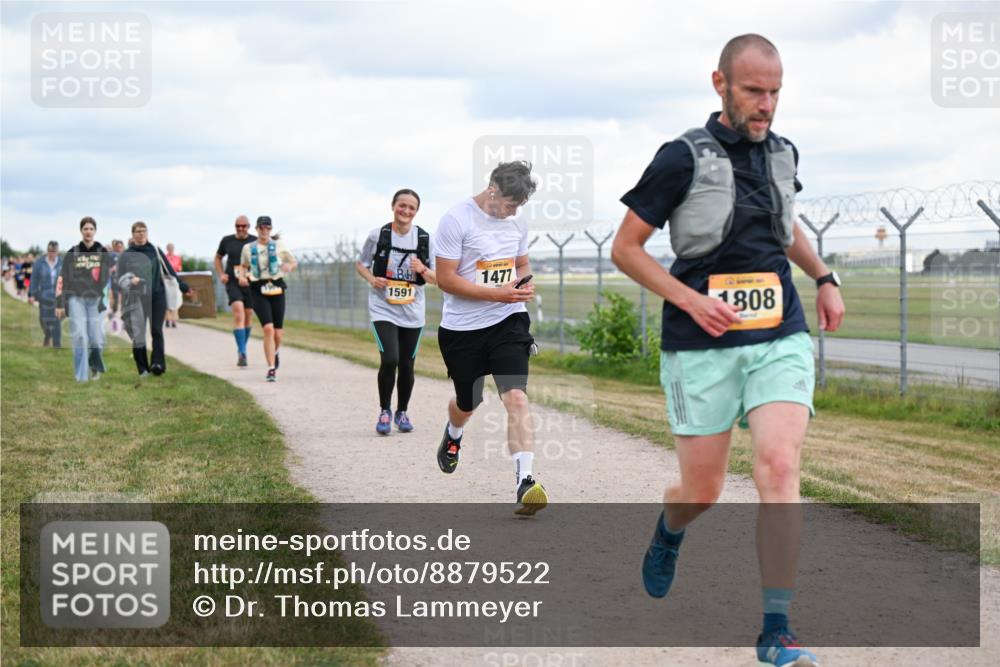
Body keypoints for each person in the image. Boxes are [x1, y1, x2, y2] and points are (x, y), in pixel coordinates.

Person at [611, 34, 845, 667]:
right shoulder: (680, 157)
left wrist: (822, 277)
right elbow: (625, 248)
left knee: (777, 468)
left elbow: (781, 221)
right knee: (703, 490)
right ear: (720, 83)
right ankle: (670, 528)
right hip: (701, 343)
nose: (766, 105)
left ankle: (777, 629)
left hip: (779, 333)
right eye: (753, 91)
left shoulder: (784, 153)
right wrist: (688, 301)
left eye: (775, 92)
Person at [434, 161, 546, 516]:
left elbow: (521, 263)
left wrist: (524, 284)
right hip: (463, 329)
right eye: (511, 204)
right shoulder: (456, 219)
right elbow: (446, 279)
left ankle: (525, 482)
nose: (513, 212)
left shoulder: (517, 222)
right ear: (493, 189)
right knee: (468, 402)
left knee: (516, 397)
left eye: (519, 207)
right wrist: (496, 293)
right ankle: (453, 433)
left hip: (508, 322)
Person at [356, 189, 437, 435]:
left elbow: (437, 278)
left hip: (412, 311)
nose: (406, 211)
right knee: (389, 359)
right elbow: (361, 264)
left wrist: (422, 268)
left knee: (407, 364)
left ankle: (402, 411)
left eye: (411, 208)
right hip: (383, 307)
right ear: (393, 206)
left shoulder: (424, 239)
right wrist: (372, 279)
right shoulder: (378, 235)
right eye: (402, 205)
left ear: (416, 212)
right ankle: (384, 410)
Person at [117, 221, 193, 376]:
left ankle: (158, 364)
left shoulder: (156, 251)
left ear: (147, 233)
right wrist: (130, 280)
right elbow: (119, 278)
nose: (141, 233)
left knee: (156, 330)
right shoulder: (126, 255)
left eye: (144, 230)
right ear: (133, 234)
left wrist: (184, 287)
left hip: (157, 295)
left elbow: (170, 271)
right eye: (138, 231)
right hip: (136, 298)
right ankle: (143, 368)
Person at [238, 216, 296, 382]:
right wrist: (242, 277)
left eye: (267, 228)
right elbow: (243, 266)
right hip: (257, 289)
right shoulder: (248, 248)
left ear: (270, 229)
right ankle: (271, 368)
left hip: (277, 288)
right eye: (261, 227)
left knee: (278, 333)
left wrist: (288, 266)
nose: (264, 230)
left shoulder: (279, 245)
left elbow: (293, 262)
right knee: (268, 329)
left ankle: (275, 352)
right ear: (256, 229)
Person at [55, 218, 112, 381]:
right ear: (81, 231)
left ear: (95, 231)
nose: (88, 231)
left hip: (96, 300)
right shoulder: (72, 252)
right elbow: (62, 278)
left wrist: (105, 300)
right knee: (80, 336)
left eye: (91, 228)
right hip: (76, 299)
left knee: (96, 339)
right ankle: (81, 376)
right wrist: (60, 303)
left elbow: (106, 279)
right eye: (85, 228)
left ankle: (94, 367)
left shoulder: (102, 252)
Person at [215, 216, 257, 366]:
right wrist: (221, 274)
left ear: (249, 226)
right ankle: (243, 352)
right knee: (238, 313)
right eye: (237, 226)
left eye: (243, 226)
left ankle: (241, 348)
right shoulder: (227, 240)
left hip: (251, 283)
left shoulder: (255, 241)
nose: (240, 229)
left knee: (248, 314)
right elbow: (218, 258)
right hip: (233, 282)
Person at [28, 241, 63, 348]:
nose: (51, 254)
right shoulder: (39, 263)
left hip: (57, 296)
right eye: (50, 251)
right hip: (43, 295)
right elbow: (34, 279)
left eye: (54, 251)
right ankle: (47, 335)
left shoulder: (62, 263)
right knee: (43, 319)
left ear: (58, 252)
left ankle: (57, 345)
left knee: (57, 321)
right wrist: (32, 294)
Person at [106, 239, 125, 332]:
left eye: (121, 246)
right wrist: (112, 269)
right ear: (115, 247)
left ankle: (123, 319)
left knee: (125, 299)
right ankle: (113, 312)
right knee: (116, 299)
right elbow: (107, 268)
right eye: (118, 246)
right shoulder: (111, 256)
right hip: (115, 280)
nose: (120, 248)